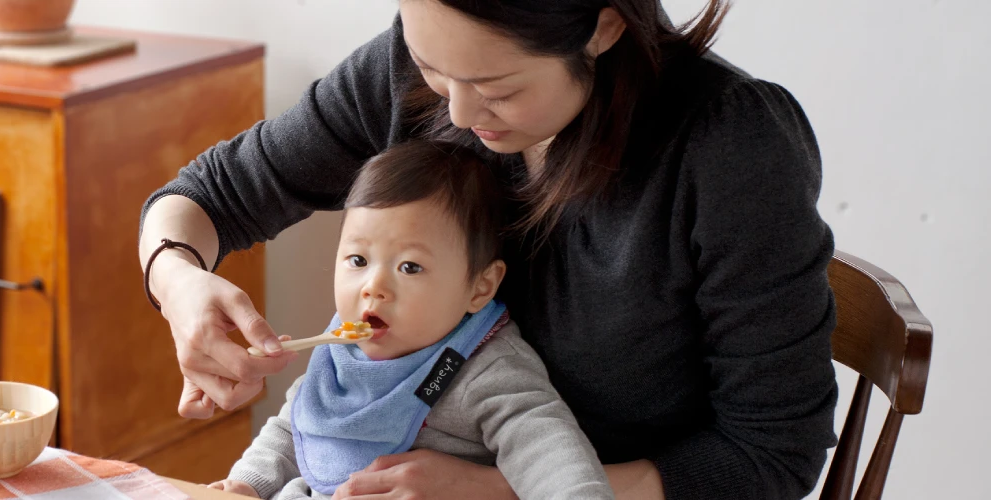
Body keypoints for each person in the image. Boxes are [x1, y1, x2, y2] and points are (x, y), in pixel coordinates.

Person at [137, 0, 838, 498]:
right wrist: (179, 283)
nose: (459, 117)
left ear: (603, 27)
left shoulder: (732, 148)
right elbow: (209, 194)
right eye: (432, 67)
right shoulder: (412, 70)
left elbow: (771, 455)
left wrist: (502, 491)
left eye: (495, 88)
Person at [207, 140, 614, 499]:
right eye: (358, 260)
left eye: (410, 267)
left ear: (480, 287)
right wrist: (247, 483)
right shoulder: (338, 347)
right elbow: (298, 428)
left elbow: (550, 454)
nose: (374, 286)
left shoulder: (488, 370)